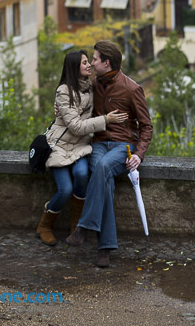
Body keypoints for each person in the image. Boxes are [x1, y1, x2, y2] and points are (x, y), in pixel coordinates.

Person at [66, 39, 152, 268]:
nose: (92, 63)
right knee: (105, 184)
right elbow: (73, 100)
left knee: (103, 168)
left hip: (122, 146)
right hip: (98, 144)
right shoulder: (92, 85)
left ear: (106, 62)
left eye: (94, 59)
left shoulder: (132, 88)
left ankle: (84, 227)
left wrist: (139, 155)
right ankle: (105, 248)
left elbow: (146, 126)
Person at [36, 50, 127, 247]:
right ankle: (45, 225)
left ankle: (76, 225)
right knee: (65, 189)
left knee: (82, 175)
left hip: (81, 147)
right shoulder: (63, 91)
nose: (89, 65)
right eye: (85, 62)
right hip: (60, 146)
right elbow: (76, 127)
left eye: (89, 61)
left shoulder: (92, 87)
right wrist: (106, 120)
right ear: (74, 67)